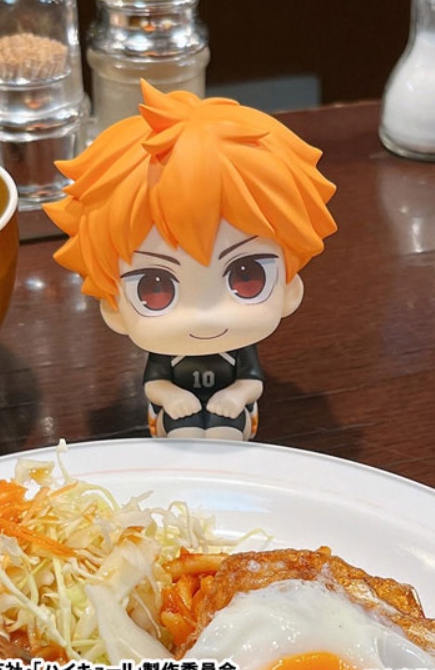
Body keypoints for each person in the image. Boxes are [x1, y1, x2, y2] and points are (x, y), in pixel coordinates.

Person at [45, 80, 336, 440]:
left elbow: (251, 383)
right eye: (155, 289)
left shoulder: (239, 349)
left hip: (234, 413)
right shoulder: (166, 354)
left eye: (247, 277)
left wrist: (236, 396)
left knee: (227, 435)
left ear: (290, 288)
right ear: (114, 308)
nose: (204, 316)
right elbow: (155, 385)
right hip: (172, 415)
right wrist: (172, 397)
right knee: (181, 437)